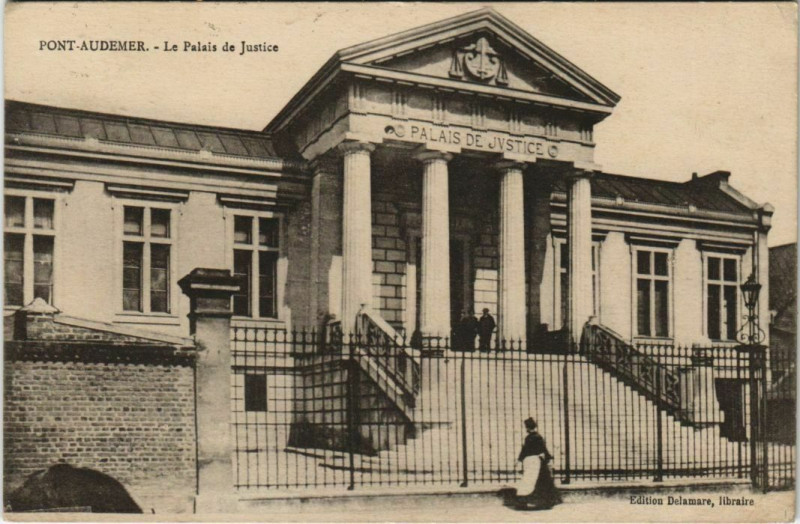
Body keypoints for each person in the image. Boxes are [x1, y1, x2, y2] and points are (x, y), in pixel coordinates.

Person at [509, 418, 561, 510]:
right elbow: (543, 449)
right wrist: (549, 458)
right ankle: (544, 503)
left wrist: (519, 460)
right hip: (538, 461)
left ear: (527, 428)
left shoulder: (528, 438)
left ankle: (524, 502)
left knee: (528, 481)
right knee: (541, 482)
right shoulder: (538, 437)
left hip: (531, 462)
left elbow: (524, 450)